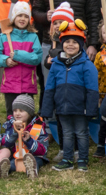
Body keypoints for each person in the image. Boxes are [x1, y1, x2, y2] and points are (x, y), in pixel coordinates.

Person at [41, 22, 99, 172]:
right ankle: (67, 159)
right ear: (62, 44)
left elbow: (92, 89)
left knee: (81, 133)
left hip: (80, 107)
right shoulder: (56, 64)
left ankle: (82, 159)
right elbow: (49, 88)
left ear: (81, 44)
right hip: (62, 106)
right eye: (67, 41)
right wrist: (46, 108)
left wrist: (91, 109)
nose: (71, 45)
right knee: (66, 133)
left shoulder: (87, 65)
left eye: (75, 42)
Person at [0, 1, 42, 114]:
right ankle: (11, 131)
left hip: (27, 84)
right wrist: (6, 60)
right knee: (11, 113)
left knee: (27, 113)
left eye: (26, 16)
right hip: (10, 84)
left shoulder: (33, 37)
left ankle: (26, 132)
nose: (22, 19)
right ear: (14, 17)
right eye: (19, 15)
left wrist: (18, 55)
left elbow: (36, 58)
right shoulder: (5, 36)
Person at [0, 94, 49, 178]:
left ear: (29, 113)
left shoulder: (38, 126)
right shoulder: (11, 125)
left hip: (34, 156)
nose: (17, 113)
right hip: (16, 156)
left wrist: (29, 140)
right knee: (11, 164)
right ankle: (4, 171)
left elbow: (43, 150)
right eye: (15, 110)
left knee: (35, 162)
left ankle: (32, 171)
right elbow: (5, 143)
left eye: (21, 111)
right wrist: (14, 132)